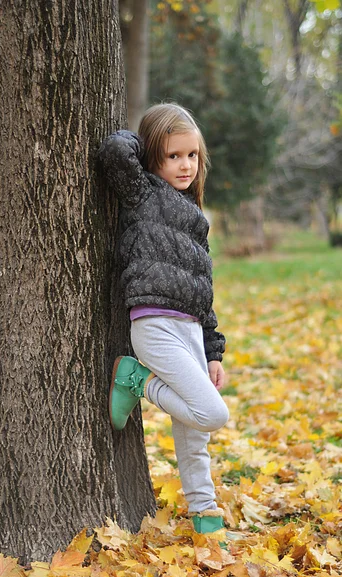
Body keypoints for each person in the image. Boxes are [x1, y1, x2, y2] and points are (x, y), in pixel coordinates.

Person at [98, 103, 229, 542]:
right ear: (155, 156)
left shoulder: (195, 218)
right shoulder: (143, 193)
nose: (185, 165)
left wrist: (212, 351)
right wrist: (146, 139)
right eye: (173, 155)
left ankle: (206, 517)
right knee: (212, 414)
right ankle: (137, 379)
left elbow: (202, 291)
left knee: (196, 438)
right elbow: (115, 153)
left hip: (190, 329)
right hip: (154, 325)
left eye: (192, 155)